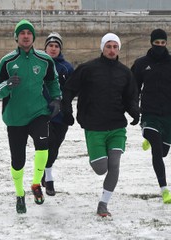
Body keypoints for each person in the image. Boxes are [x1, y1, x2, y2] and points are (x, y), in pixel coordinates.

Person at [62, 33, 140, 217]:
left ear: (118, 49)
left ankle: (103, 204)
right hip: (94, 126)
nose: (112, 50)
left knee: (114, 165)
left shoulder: (125, 73)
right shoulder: (87, 69)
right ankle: (96, 158)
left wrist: (135, 112)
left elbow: (131, 97)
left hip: (117, 127)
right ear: (102, 48)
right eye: (109, 46)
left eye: (115, 47)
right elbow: (69, 89)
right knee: (101, 168)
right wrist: (67, 110)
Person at [0, 19, 62, 214]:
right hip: (15, 118)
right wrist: (7, 86)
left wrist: (56, 99)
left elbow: (53, 81)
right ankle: (19, 193)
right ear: (16, 37)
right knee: (18, 160)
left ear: (33, 37)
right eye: (21, 33)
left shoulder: (44, 59)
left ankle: (36, 184)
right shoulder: (7, 61)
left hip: (38, 113)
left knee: (43, 148)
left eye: (28, 33)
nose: (25, 35)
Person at [131, 28, 171, 204]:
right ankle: (164, 189)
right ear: (151, 43)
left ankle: (150, 138)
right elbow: (132, 88)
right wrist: (133, 108)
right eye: (157, 43)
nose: (160, 46)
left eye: (163, 43)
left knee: (163, 152)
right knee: (156, 149)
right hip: (149, 113)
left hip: (168, 114)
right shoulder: (141, 63)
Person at [42, 32, 74, 196]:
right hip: (42, 113)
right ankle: (48, 179)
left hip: (61, 114)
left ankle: (45, 173)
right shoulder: (39, 64)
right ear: (45, 47)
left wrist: (68, 110)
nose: (53, 49)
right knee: (46, 145)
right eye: (51, 45)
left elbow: (71, 90)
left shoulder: (66, 67)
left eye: (56, 46)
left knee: (55, 147)